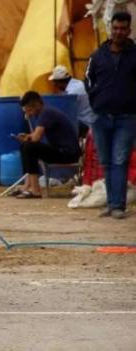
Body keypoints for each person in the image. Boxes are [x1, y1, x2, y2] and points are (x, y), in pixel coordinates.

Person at [85, 11, 136, 219]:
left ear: (129, 30)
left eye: (123, 29)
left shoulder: (135, 55)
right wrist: (96, 99)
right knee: (106, 161)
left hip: (127, 117)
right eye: (115, 28)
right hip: (101, 116)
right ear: (110, 29)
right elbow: (87, 79)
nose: (119, 32)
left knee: (119, 160)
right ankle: (110, 202)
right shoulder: (98, 56)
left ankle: (118, 206)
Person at [11, 91, 81, 199]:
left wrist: (29, 138)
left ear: (37, 105)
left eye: (30, 110)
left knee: (30, 147)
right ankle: (27, 186)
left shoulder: (46, 113)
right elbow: (34, 136)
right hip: (61, 151)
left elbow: (36, 138)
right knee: (26, 146)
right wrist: (27, 137)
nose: (29, 114)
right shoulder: (45, 112)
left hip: (68, 153)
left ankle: (35, 190)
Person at [48, 65, 97, 137]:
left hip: (85, 122)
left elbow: (66, 112)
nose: (55, 85)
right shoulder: (76, 83)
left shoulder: (73, 92)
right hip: (86, 119)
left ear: (59, 82)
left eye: (55, 83)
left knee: (57, 127)